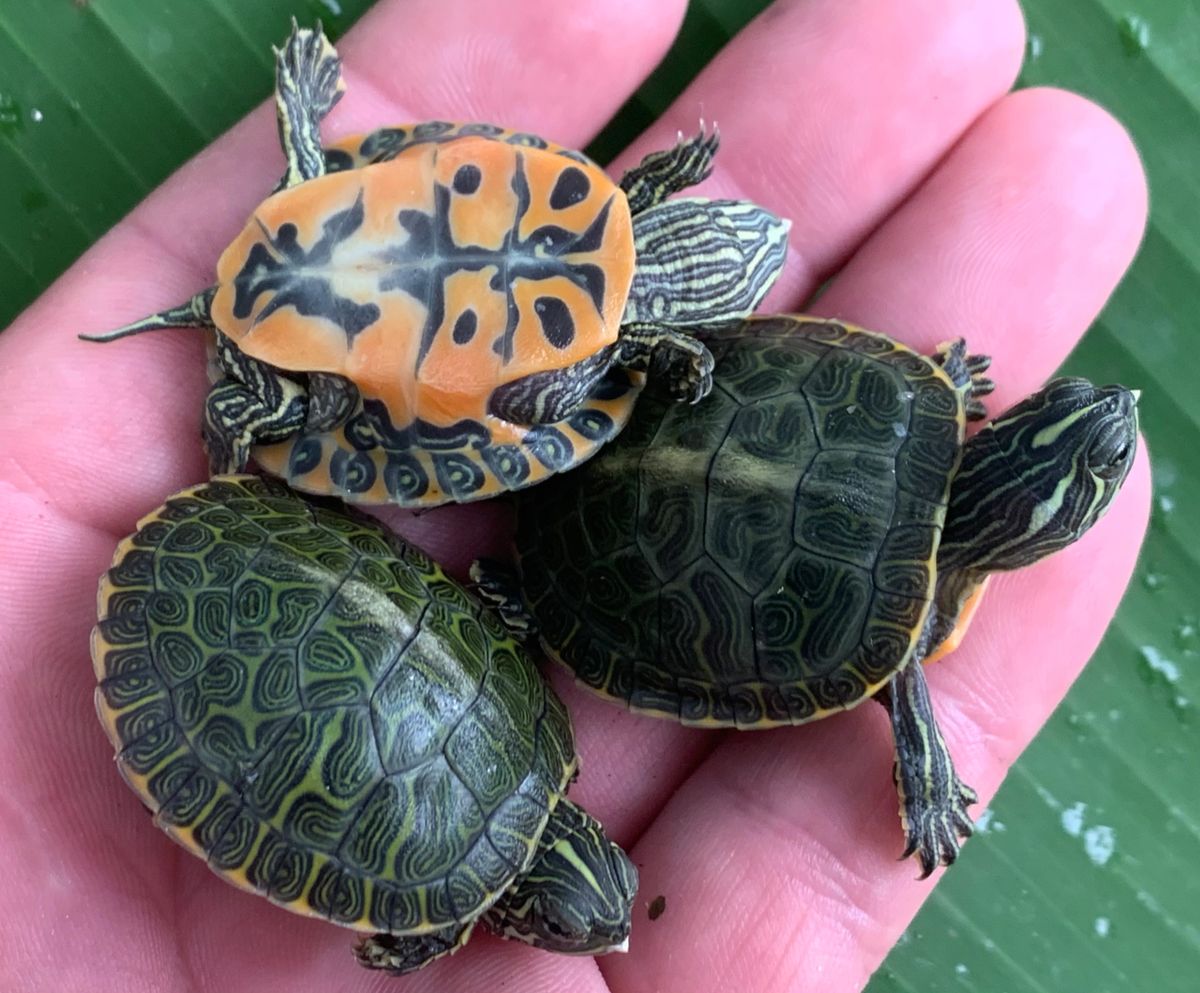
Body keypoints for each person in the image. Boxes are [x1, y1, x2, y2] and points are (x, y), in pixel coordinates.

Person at [0, 0, 1150, 990]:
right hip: (492, 459)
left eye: (1068, 462)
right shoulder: (514, 787)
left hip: (488, 472)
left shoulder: (918, 406)